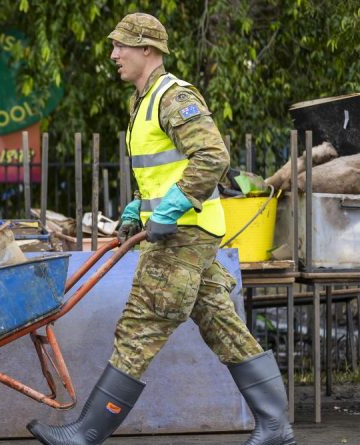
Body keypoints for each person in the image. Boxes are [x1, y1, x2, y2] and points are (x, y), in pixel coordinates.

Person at [27, 12, 296, 445]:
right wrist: (139, 207)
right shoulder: (144, 100)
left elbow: (212, 157)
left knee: (140, 324)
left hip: (183, 235)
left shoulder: (173, 97)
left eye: (122, 46)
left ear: (147, 50)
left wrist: (169, 210)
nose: (114, 55)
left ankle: (87, 434)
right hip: (182, 231)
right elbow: (163, 173)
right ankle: (276, 427)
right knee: (222, 324)